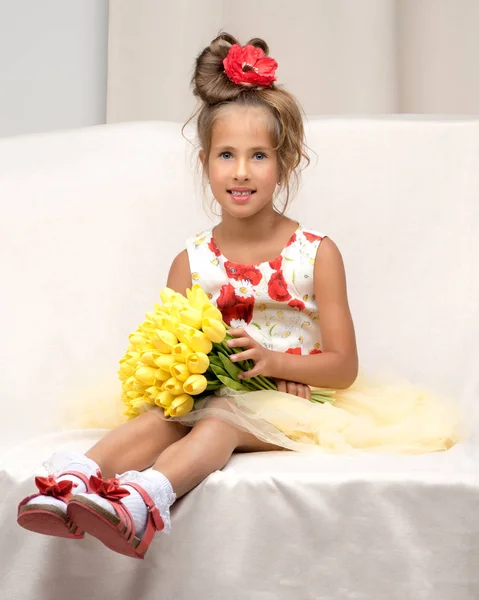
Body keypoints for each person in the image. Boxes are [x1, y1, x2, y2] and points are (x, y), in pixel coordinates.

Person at [16, 32, 465, 560]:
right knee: (161, 417)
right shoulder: (191, 261)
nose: (241, 171)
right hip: (210, 391)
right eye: (226, 155)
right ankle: (74, 482)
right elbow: (169, 347)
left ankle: (144, 500)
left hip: (294, 403)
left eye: (259, 156)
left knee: (222, 419)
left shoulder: (315, 253)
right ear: (205, 161)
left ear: (285, 161)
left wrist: (277, 362)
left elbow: (344, 367)